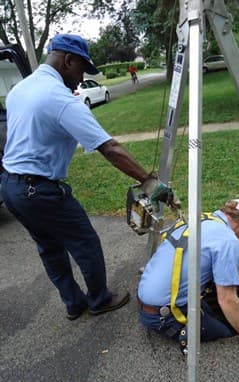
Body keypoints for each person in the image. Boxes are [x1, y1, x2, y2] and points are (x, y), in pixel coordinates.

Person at [1, 34, 164, 321]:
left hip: (11, 188)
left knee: (49, 246)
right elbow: (110, 148)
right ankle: (99, 299)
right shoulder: (61, 99)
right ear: (68, 60)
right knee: (85, 241)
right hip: (39, 190)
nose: (80, 79)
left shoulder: (18, 90)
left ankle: (74, 303)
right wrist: (147, 179)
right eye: (81, 71)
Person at [137, 199, 239, 351]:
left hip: (147, 301)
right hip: (164, 316)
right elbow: (227, 298)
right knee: (225, 332)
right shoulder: (227, 240)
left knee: (209, 312)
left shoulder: (196, 220)